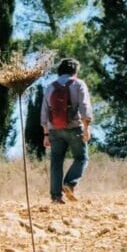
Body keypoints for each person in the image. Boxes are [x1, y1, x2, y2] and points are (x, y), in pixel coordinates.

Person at [41, 57, 93, 204]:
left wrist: (45, 134)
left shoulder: (50, 86)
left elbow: (44, 111)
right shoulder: (79, 84)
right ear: (75, 71)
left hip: (54, 130)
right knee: (82, 158)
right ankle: (69, 184)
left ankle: (56, 197)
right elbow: (85, 107)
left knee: (56, 162)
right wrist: (86, 128)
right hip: (74, 127)